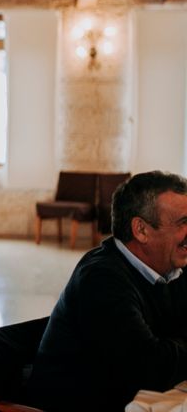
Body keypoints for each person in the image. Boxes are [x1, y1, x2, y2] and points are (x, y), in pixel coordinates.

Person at [25, 170, 187, 411]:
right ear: (141, 230)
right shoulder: (101, 278)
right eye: (183, 223)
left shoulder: (173, 265)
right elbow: (149, 367)